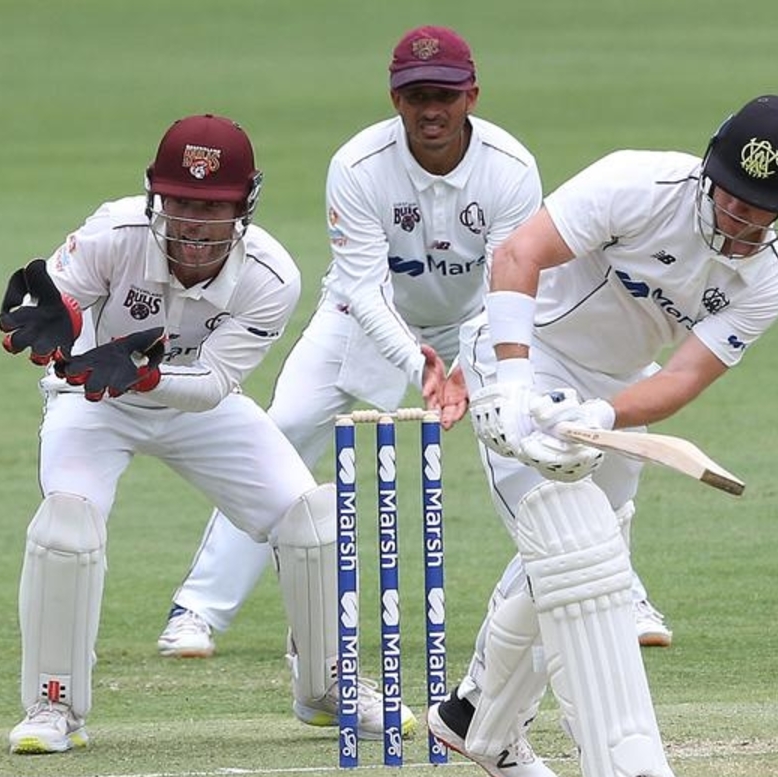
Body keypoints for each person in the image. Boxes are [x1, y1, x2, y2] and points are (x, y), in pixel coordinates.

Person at [426, 95, 778, 777]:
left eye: (760, 210)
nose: (738, 218)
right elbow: (518, 255)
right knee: (582, 561)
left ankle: (473, 715)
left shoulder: (765, 282)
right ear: (709, 170)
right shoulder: (638, 184)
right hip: (521, 352)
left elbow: (681, 377)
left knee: (578, 556)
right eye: (729, 197)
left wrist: (607, 414)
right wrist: (510, 384)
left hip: (610, 394)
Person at [0, 113, 410, 753]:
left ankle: (328, 686)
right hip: (92, 399)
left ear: (244, 207)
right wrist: (56, 320)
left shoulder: (270, 276)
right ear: (154, 196)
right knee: (66, 525)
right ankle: (54, 704)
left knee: (311, 518)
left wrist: (144, 376)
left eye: (213, 208)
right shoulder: (112, 233)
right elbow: (55, 302)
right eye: (182, 203)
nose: (194, 224)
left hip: (194, 403)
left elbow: (213, 384)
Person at [157, 24, 543, 669]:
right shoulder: (358, 165)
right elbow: (364, 289)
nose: (430, 110)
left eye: (444, 95)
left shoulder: (511, 168)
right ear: (395, 98)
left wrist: (468, 366)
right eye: (416, 95)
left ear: (471, 95)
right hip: (359, 319)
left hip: (474, 321)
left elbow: (507, 283)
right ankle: (198, 609)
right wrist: (420, 364)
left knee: (523, 438)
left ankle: (600, 590)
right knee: (281, 432)